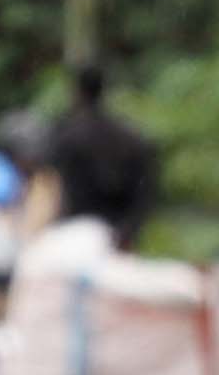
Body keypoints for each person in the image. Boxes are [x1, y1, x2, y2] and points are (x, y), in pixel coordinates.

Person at [46, 64, 160, 247]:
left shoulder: (65, 136)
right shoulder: (131, 137)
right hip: (120, 233)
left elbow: (55, 189)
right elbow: (145, 192)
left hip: (76, 233)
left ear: (76, 91)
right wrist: (127, 232)